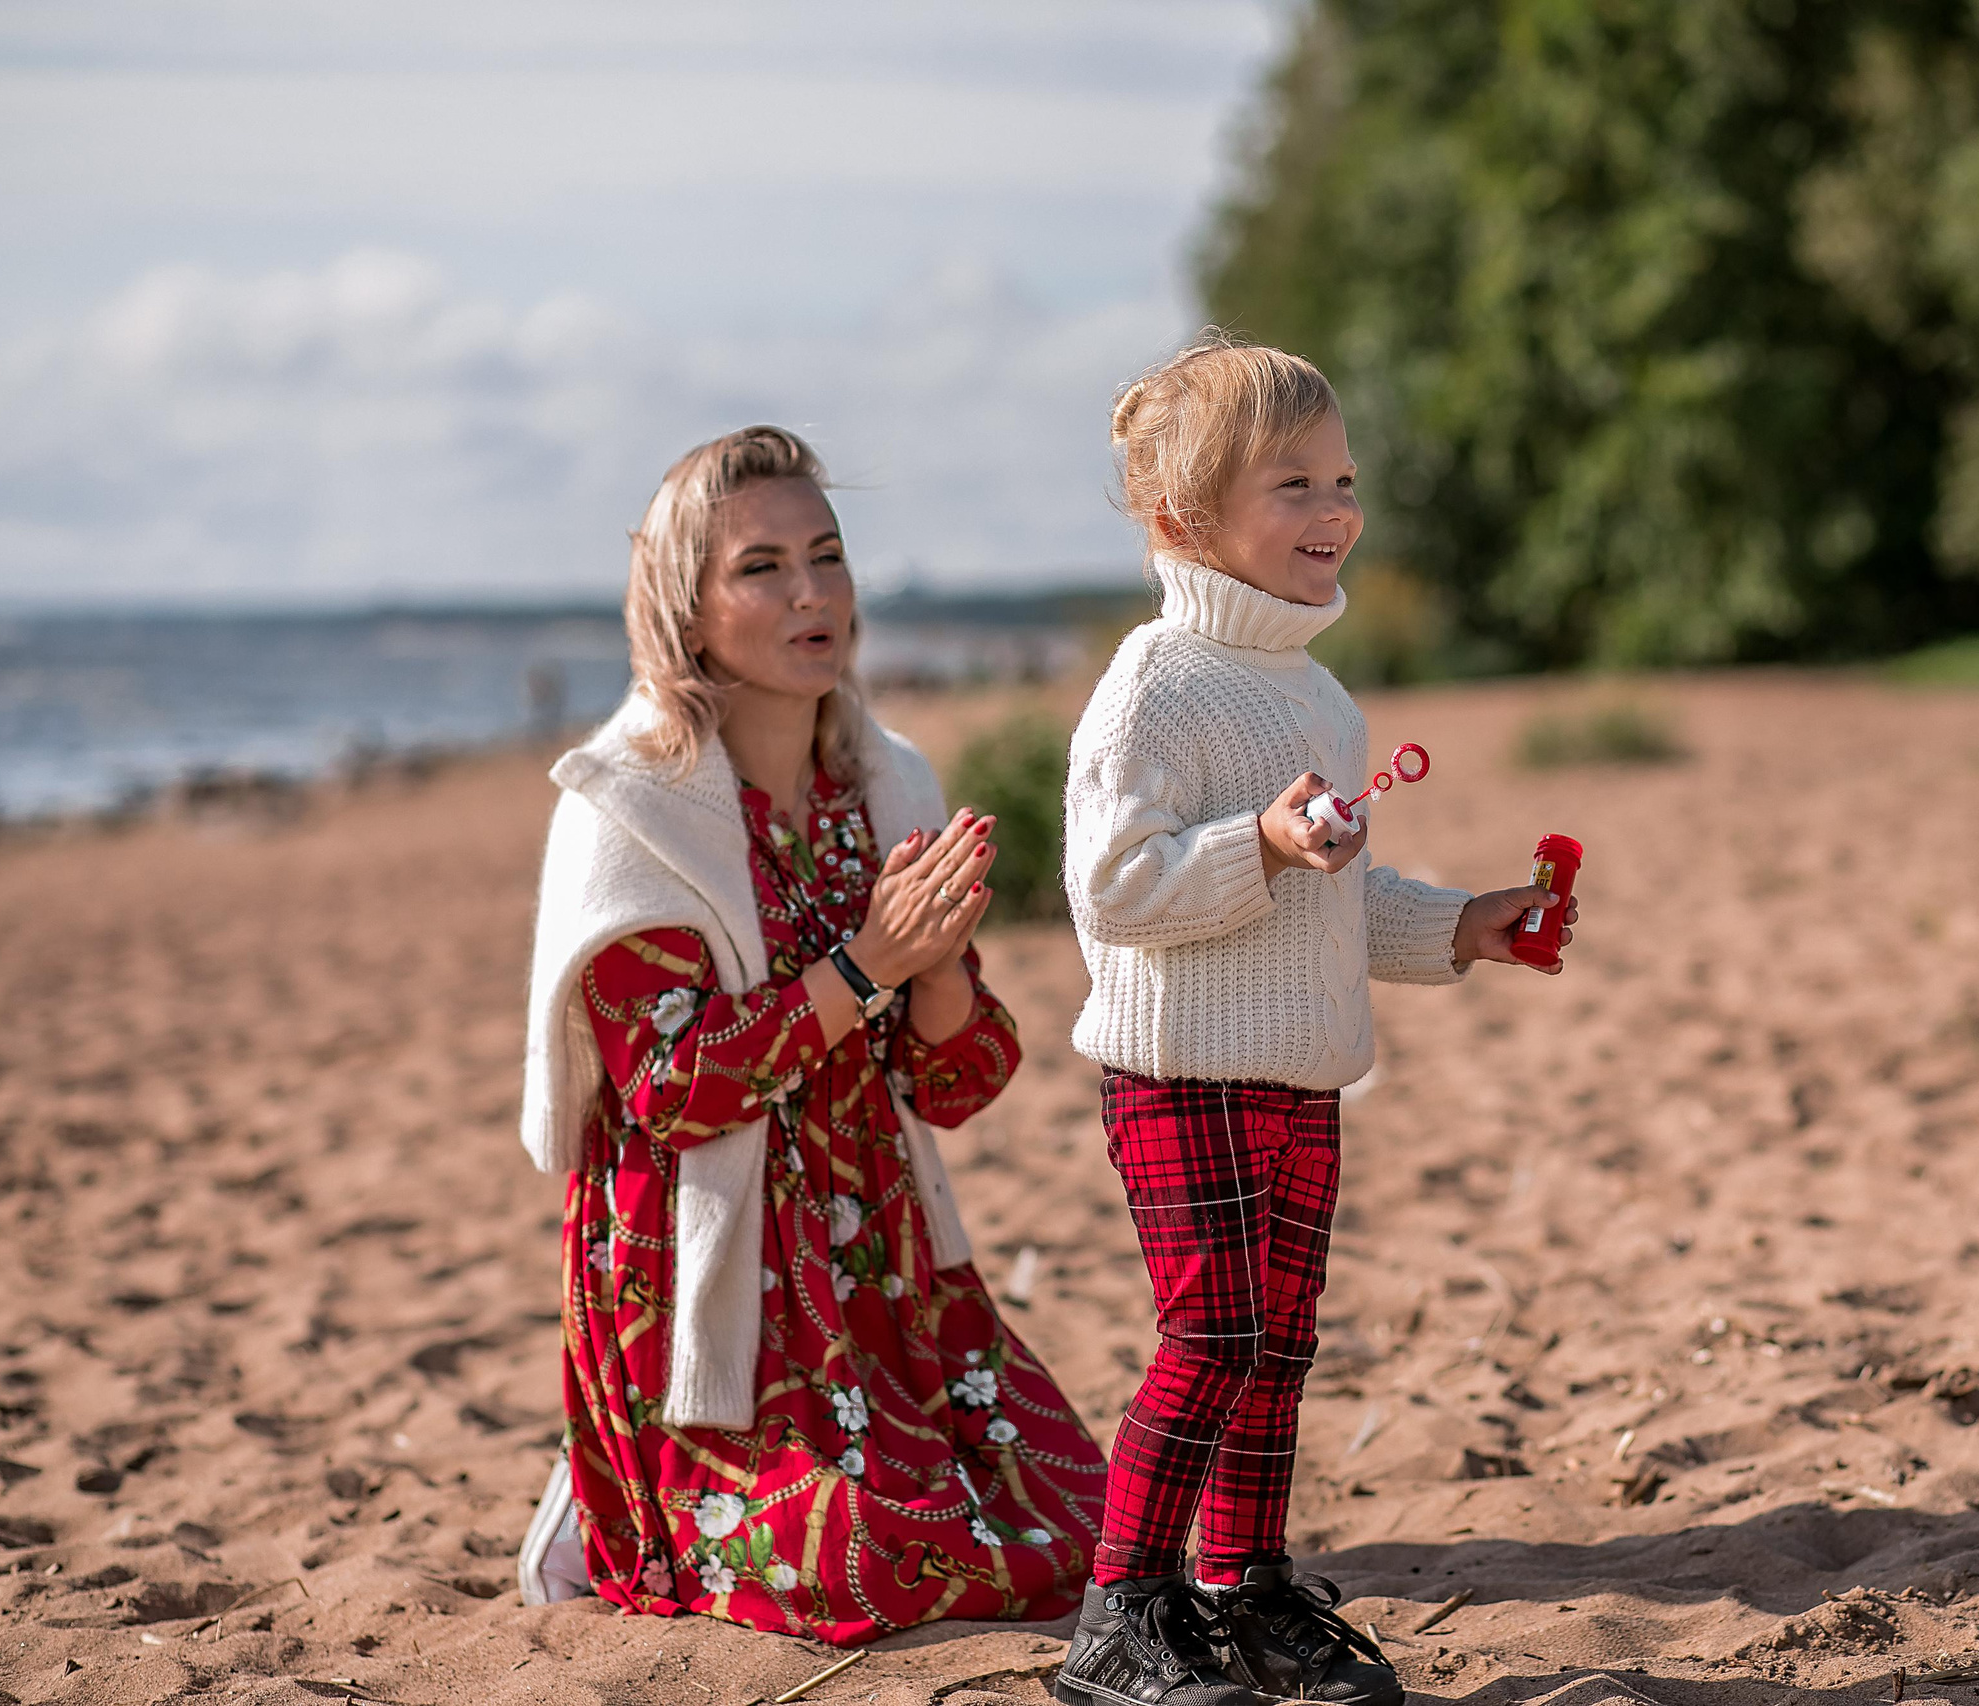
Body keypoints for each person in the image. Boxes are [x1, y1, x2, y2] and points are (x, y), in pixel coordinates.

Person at [1051, 336, 1579, 1706]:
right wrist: (1265, 845)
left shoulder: (1319, 696)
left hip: (1299, 1075)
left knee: (1282, 1341)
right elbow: (1112, 893)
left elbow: (1330, 906)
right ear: (1184, 521)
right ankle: (1121, 1603)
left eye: (1341, 477)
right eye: (1292, 482)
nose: (1335, 508)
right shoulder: (1155, 684)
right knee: (1214, 1332)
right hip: (1181, 1073)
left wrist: (1460, 923)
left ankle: (1246, 1586)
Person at [513, 426, 1104, 1645]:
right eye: (762, 567)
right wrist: (867, 962)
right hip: (705, 1276)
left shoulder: (886, 784)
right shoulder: (627, 808)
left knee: (1095, 1525)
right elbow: (675, 1088)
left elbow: (960, 1078)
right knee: (874, 1568)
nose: (811, 593)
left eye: (827, 557)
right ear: (685, 609)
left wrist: (934, 967)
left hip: (881, 1260)